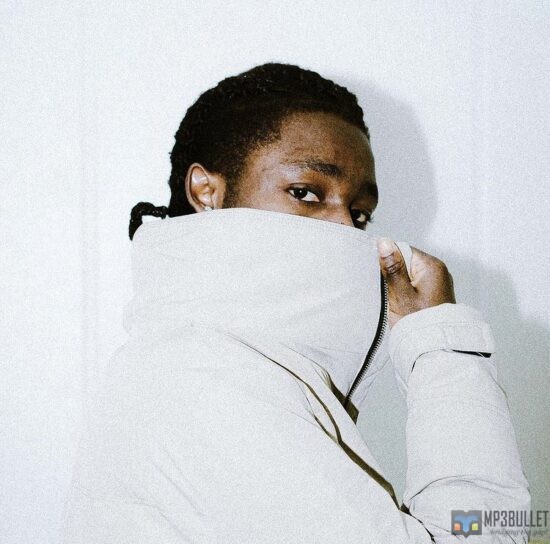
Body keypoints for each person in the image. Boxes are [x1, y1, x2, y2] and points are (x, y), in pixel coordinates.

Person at [62, 63, 530, 543]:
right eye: (305, 193)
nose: (345, 229)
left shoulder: (202, 365)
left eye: (360, 214)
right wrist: (440, 346)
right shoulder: (213, 384)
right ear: (206, 192)